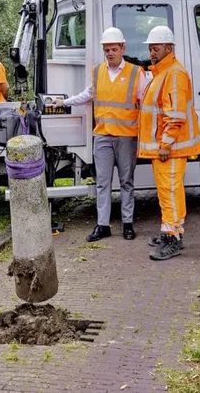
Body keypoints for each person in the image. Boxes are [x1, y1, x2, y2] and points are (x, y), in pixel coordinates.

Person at [52, 27, 149, 242]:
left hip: (126, 137)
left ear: (123, 48)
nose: (110, 53)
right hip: (103, 136)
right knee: (102, 183)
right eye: (107, 50)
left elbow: (146, 103)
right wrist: (65, 102)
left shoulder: (136, 72)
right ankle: (102, 225)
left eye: (114, 49)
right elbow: (87, 95)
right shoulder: (98, 72)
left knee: (126, 182)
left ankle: (127, 224)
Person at [138, 25, 200, 261]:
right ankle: (170, 231)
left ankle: (173, 238)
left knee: (170, 190)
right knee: (167, 191)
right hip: (165, 148)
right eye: (150, 48)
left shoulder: (173, 74)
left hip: (170, 149)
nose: (152, 53)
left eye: (156, 48)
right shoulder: (162, 72)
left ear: (169, 47)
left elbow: (175, 115)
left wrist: (165, 144)